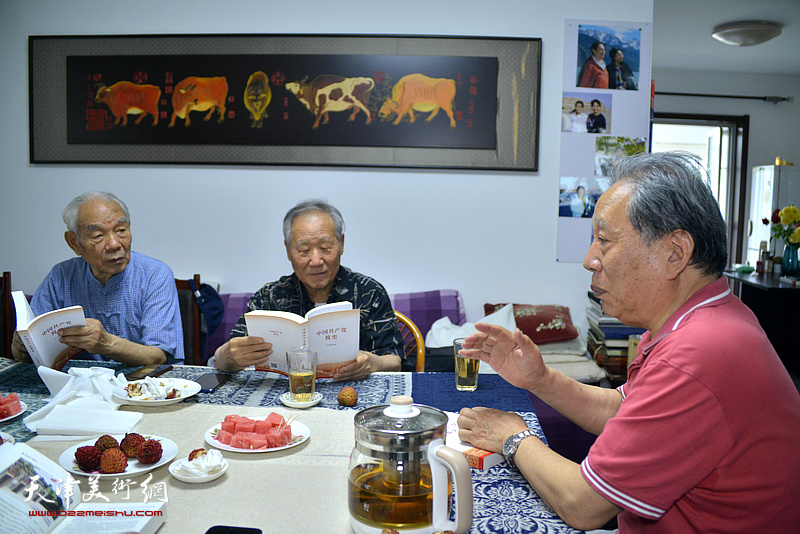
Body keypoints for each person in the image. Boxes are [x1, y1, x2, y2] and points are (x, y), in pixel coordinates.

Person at [456, 152, 800, 532]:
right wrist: (540, 379)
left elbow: (583, 505)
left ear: (675, 252)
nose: (589, 260)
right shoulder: (707, 318)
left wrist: (513, 436)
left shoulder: (698, 352)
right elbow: (624, 410)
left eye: (603, 240)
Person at [212, 199, 403, 380]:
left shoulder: (370, 292)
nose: (316, 261)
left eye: (325, 247)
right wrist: (226, 357)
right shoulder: (269, 297)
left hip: (351, 395)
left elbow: (394, 360)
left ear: (341, 244)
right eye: (304, 250)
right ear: (288, 250)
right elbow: (226, 357)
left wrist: (371, 363)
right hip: (284, 398)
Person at [11, 192, 184, 366]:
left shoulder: (155, 274)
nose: (115, 244)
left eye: (121, 231)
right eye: (98, 236)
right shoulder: (61, 277)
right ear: (74, 243)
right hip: (78, 384)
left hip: (142, 384)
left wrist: (107, 343)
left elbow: (159, 356)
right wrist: (22, 347)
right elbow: (32, 349)